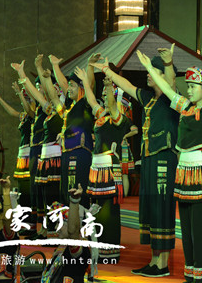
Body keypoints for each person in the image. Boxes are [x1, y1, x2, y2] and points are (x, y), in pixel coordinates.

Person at [136, 40, 202, 283]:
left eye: (194, 86)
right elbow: (167, 89)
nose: (189, 90)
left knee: (201, 227)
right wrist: (149, 68)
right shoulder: (185, 108)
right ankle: (191, 275)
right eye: (189, 86)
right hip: (184, 175)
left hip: (201, 174)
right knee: (187, 229)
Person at [92, 44, 179, 278]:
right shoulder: (149, 98)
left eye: (152, 72)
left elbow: (171, 82)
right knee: (150, 208)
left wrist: (168, 63)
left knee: (161, 207)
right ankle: (154, 261)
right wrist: (107, 71)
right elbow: (128, 86)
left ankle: (163, 264)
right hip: (149, 158)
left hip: (164, 157)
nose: (148, 75)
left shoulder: (171, 98)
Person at [75, 66, 133, 262]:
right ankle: (98, 247)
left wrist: (109, 86)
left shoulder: (119, 119)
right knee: (97, 208)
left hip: (109, 167)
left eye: (107, 95)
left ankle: (110, 250)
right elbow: (91, 100)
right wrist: (85, 81)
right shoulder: (101, 116)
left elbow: (112, 105)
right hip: (97, 167)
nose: (103, 98)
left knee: (108, 209)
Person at [13, 56, 63, 238]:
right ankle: (44, 229)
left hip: (57, 158)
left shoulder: (62, 109)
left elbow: (45, 93)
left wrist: (42, 69)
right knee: (43, 194)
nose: (48, 94)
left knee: (53, 195)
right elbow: (37, 94)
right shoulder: (49, 109)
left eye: (52, 91)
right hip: (45, 157)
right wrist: (22, 74)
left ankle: (54, 231)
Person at [48, 53, 96, 206]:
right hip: (66, 152)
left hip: (81, 152)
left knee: (79, 189)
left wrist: (90, 65)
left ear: (82, 88)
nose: (68, 88)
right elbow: (59, 89)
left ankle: (81, 218)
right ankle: (67, 218)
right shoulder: (69, 107)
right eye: (69, 85)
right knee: (66, 190)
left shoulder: (85, 103)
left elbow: (90, 85)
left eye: (73, 85)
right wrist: (55, 66)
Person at [0, 80, 36, 234]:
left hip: (31, 155)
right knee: (23, 191)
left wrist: (19, 93)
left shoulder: (35, 115)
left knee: (29, 190)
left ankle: (31, 224)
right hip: (22, 155)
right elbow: (12, 112)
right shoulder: (24, 116)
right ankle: (24, 223)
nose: (26, 102)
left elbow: (28, 109)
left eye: (29, 99)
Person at [41, 183, 92, 283]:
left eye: (59, 223)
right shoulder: (61, 248)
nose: (56, 228)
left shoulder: (79, 250)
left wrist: (74, 202)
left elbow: (73, 231)